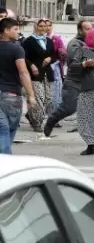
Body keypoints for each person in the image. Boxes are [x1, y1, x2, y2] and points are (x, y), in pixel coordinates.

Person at [44, 20, 93, 136]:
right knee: (69, 108)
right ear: (80, 30)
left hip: (89, 82)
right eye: (87, 29)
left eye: (91, 29)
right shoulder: (74, 44)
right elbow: (72, 65)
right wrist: (84, 64)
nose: (90, 31)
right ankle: (51, 120)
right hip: (74, 81)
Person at [0, 17, 35, 154]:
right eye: (15, 29)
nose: (18, 32)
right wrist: (31, 95)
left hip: (9, 95)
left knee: (2, 129)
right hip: (11, 95)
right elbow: (23, 71)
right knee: (7, 130)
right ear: (6, 31)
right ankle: (5, 164)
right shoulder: (17, 49)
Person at [22, 18, 57, 132]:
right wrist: (31, 65)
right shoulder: (29, 41)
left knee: (49, 99)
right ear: (35, 27)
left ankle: (30, 114)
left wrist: (50, 58)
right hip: (35, 74)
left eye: (44, 26)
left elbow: (54, 55)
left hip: (48, 73)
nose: (43, 28)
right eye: (40, 26)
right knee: (39, 98)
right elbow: (23, 57)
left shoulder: (49, 41)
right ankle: (37, 122)